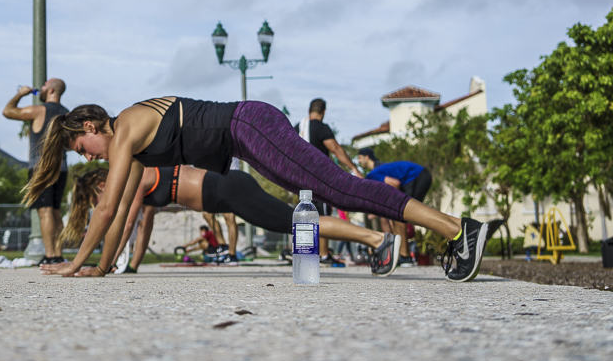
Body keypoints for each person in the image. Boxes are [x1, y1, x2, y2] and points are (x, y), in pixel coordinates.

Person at [28, 97, 498, 282]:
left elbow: (107, 208)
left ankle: (459, 229)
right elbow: (122, 208)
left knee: (342, 187)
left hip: (247, 124)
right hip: (248, 137)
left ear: (91, 124)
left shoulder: (127, 125)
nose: (87, 156)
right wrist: (102, 267)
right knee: (329, 193)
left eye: (81, 146)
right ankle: (436, 233)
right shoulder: (130, 148)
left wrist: (73, 265)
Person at [62, 165, 402, 275]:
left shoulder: (134, 177)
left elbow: (125, 222)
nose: (102, 203)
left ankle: (377, 240)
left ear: (103, 185)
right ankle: (376, 241)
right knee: (293, 223)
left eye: (98, 198)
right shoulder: (142, 179)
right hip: (225, 189)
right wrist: (131, 266)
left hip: (227, 189)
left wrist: (104, 266)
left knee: (294, 223)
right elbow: (144, 223)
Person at [2, 78, 69, 265]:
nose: (42, 87)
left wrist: (20, 94)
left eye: (46, 85)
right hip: (61, 166)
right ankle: (58, 253)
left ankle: (51, 256)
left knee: (45, 211)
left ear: (52, 90)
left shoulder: (39, 110)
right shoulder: (67, 114)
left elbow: (7, 112)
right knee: (56, 212)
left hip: (41, 167)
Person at [295, 98, 362, 263]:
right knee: (322, 215)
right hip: (319, 178)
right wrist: (354, 168)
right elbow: (336, 149)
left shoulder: (298, 127)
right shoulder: (321, 127)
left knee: (305, 214)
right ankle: (323, 254)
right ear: (323, 112)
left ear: (309, 110)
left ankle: (302, 251)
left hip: (300, 178)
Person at [357, 148, 433, 267]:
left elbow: (395, 183)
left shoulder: (372, 175)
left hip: (416, 176)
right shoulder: (379, 169)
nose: (358, 161)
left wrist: (395, 203)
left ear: (367, 157)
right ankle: (403, 254)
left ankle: (405, 256)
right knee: (398, 214)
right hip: (419, 175)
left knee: (400, 213)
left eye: (359, 158)